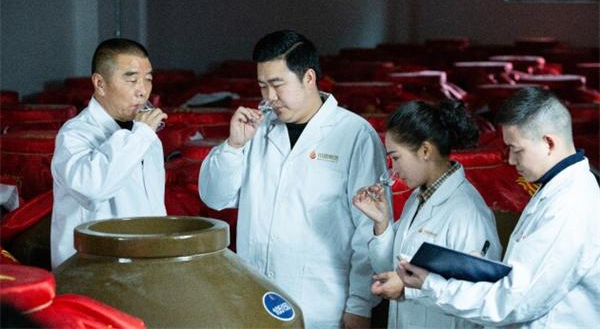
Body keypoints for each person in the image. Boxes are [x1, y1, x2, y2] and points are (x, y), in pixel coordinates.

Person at [199, 30, 388, 328]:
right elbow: (215, 197)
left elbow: (367, 228)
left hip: (322, 306)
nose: (269, 97)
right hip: (255, 297)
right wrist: (234, 146)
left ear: (308, 78)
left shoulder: (354, 135)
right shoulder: (256, 130)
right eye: (263, 86)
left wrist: (359, 305)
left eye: (277, 85)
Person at [396, 87, 600, 328]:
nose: (511, 160)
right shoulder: (553, 190)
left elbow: (514, 300)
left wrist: (431, 284)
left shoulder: (570, 205)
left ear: (548, 142)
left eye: (516, 149)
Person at [352, 100, 501, 328]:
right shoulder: (418, 199)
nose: (394, 170)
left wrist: (408, 290)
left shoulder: (468, 213)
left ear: (425, 150)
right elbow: (390, 270)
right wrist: (381, 222)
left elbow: (478, 296)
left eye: (396, 158)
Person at [51, 38, 167, 268]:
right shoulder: (75, 134)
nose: (142, 91)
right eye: (132, 80)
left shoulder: (145, 135)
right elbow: (93, 189)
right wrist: (141, 135)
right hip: (91, 270)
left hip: (145, 265)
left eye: (148, 79)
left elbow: (155, 209)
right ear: (100, 84)